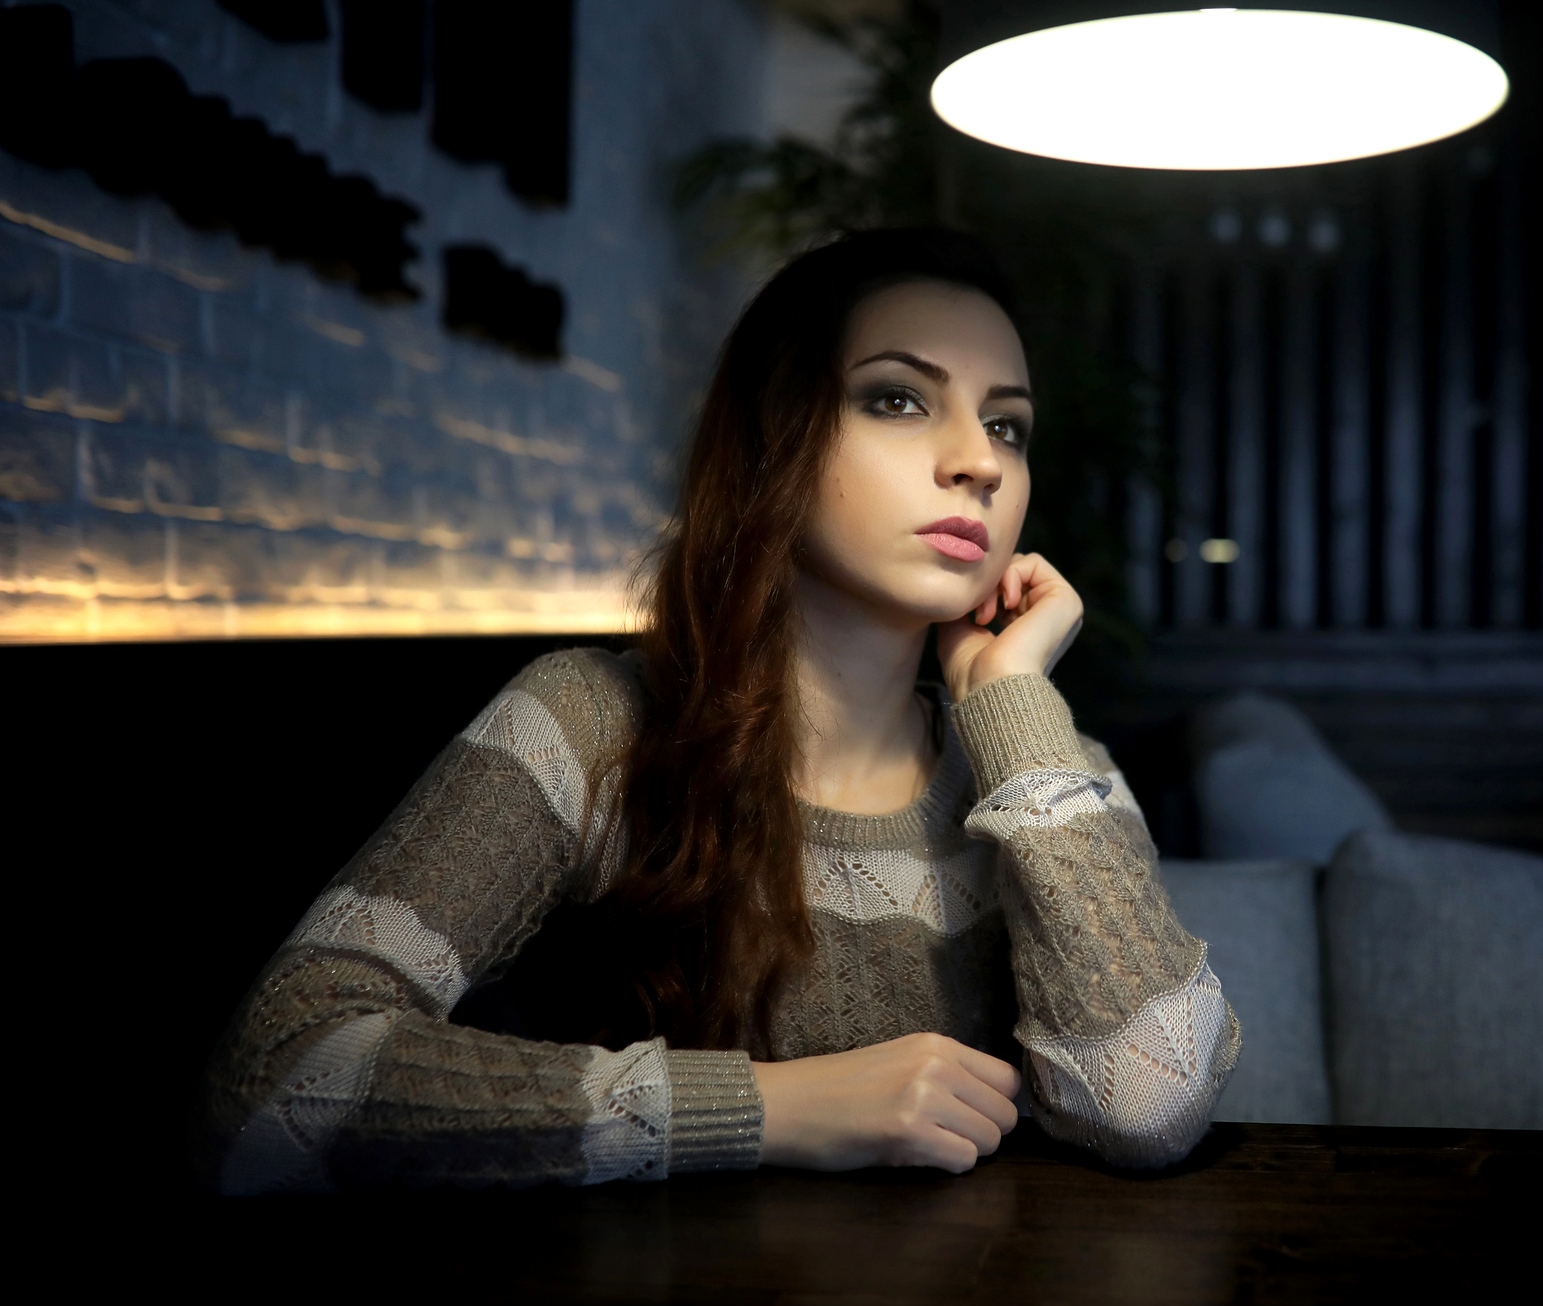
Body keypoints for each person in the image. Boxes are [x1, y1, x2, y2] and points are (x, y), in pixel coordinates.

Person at [204, 228, 1239, 1192]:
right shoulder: (588, 724)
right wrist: (768, 1108)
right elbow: (278, 1079)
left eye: (1006, 425)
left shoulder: (1046, 773)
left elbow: (1148, 1105)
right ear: (772, 441)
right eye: (896, 399)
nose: (977, 459)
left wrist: (1009, 702)